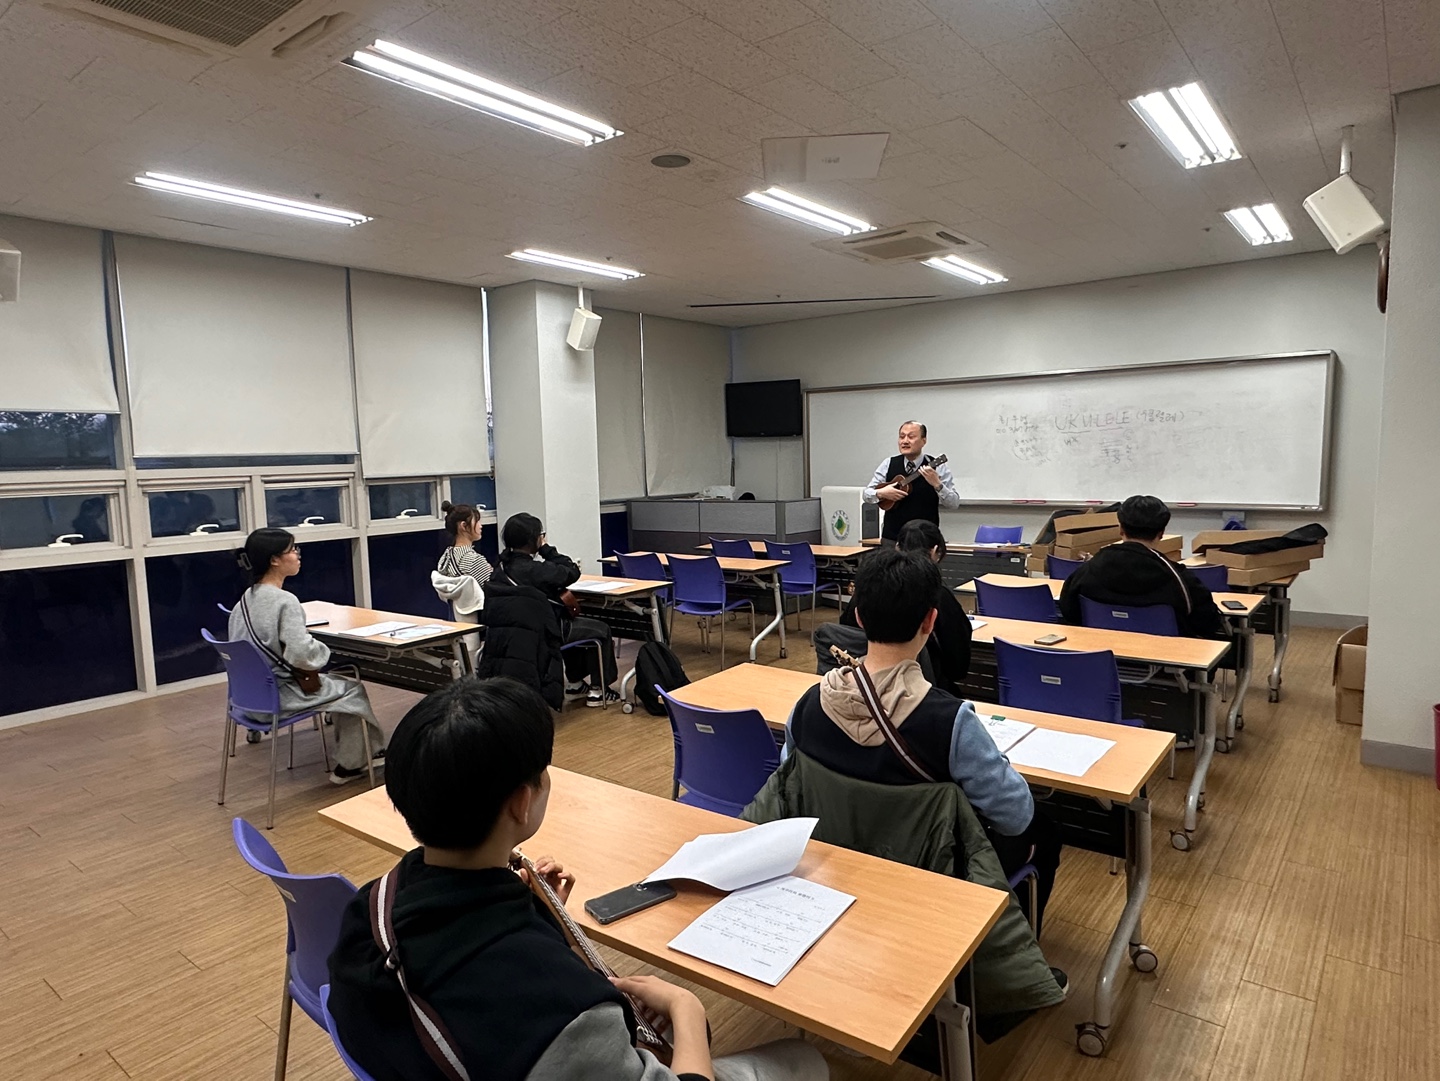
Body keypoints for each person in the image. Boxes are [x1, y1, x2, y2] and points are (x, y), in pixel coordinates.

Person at [327, 676, 830, 1081]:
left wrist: (542, 924)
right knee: (804, 1059)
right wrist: (687, 1007)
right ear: (521, 803)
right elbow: (538, 1005)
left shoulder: (369, 909)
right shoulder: (565, 1013)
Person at [791, 547, 1063, 938]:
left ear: (859, 617)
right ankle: (1001, 952)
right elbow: (1015, 815)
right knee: (1045, 831)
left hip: (835, 858)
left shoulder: (806, 706)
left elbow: (793, 788)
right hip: (932, 869)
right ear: (930, 621)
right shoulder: (951, 721)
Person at [227, 528, 386, 784]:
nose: (297, 555)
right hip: (280, 697)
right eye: (292, 550)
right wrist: (324, 650)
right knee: (352, 690)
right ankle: (352, 764)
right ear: (274, 560)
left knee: (338, 685)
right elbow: (302, 656)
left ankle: (359, 754)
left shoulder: (243, 601)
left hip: (249, 701)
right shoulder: (285, 601)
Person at [495, 512, 618, 707]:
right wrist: (546, 549)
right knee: (601, 630)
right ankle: (599, 690)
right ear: (533, 539)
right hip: (544, 632)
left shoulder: (500, 568)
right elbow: (571, 570)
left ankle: (576, 683)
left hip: (512, 634)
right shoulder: (537, 570)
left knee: (570, 624)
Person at [1058, 495, 1224, 639]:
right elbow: (1208, 624)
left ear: (1120, 529)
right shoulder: (1180, 579)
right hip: (1168, 661)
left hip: (1102, 656)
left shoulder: (1086, 571)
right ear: (1161, 533)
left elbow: (1069, 612)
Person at [839, 519, 971, 694]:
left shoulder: (867, 588)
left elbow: (847, 633)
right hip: (925, 689)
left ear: (897, 547)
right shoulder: (938, 596)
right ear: (935, 551)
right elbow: (958, 665)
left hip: (863, 684)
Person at [863, 421, 960, 543]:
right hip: (892, 538)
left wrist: (937, 484)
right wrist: (881, 493)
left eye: (911, 437)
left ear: (924, 441)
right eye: (902, 436)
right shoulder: (888, 463)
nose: (905, 441)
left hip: (925, 540)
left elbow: (954, 503)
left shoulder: (937, 467)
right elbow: (866, 494)